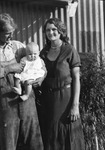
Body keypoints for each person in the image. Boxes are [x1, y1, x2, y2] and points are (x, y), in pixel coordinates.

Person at [36, 18, 85, 150]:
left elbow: (76, 78)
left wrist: (75, 105)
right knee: (51, 136)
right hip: (49, 102)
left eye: (54, 29)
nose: (50, 32)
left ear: (60, 31)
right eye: (48, 30)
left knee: (67, 135)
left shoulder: (69, 50)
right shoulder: (43, 53)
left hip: (66, 99)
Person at [0, 13, 44, 150]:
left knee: (33, 139)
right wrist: (10, 67)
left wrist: (40, 78)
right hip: (6, 100)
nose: (10, 36)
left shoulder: (18, 46)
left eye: (12, 32)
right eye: (7, 33)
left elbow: (39, 62)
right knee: (8, 141)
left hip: (27, 98)